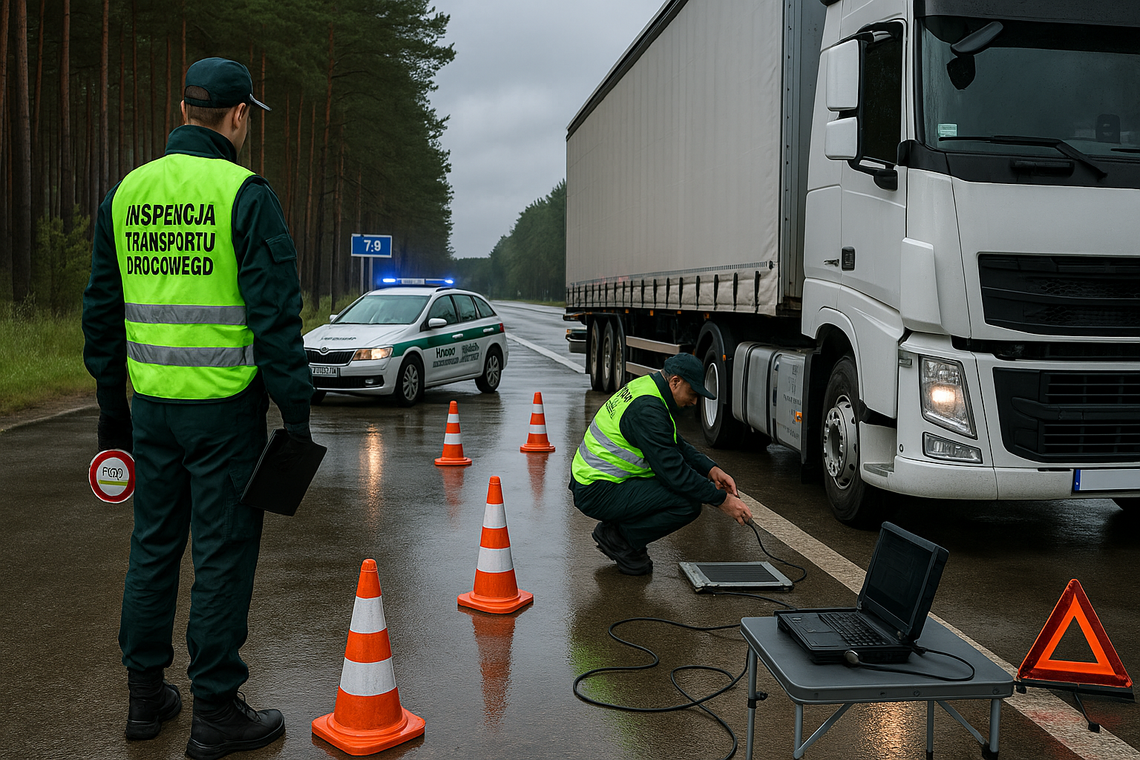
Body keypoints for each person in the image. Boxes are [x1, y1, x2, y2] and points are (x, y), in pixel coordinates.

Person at [82, 57, 312, 759]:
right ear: (239, 117)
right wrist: (295, 415)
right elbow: (276, 318)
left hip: (150, 411)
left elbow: (102, 310)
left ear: (185, 111)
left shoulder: (127, 193)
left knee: (152, 548)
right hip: (224, 416)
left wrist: (109, 406)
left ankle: (145, 700)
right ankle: (215, 712)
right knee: (221, 555)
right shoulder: (245, 193)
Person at [570, 352, 753, 575]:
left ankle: (618, 531)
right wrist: (722, 500)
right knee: (686, 503)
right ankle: (618, 538)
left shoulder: (649, 387)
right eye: (693, 393)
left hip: (598, 480)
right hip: (597, 489)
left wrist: (710, 468)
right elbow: (674, 473)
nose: (694, 401)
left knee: (682, 490)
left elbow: (674, 442)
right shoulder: (647, 409)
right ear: (675, 381)